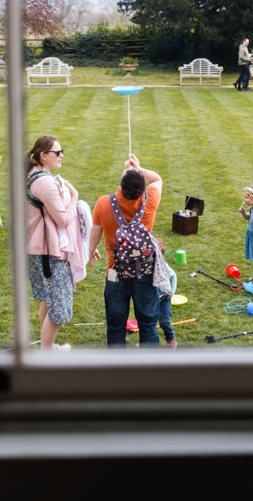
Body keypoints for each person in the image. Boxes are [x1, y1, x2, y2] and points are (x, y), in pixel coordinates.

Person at [88, 154, 163, 347]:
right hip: (146, 272)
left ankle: (118, 371)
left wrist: (91, 250)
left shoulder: (104, 203)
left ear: (121, 185)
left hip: (115, 273)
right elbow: (156, 179)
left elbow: (95, 233)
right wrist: (139, 169)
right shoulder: (151, 199)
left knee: (115, 326)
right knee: (148, 324)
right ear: (142, 190)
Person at [26, 136, 86, 351]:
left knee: (48, 299)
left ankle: (47, 348)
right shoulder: (43, 182)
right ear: (43, 155)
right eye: (57, 152)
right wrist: (74, 197)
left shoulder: (36, 175)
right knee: (58, 308)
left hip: (40, 250)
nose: (62, 156)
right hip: (49, 253)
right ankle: (46, 353)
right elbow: (62, 218)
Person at [152, 236, 178, 348]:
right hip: (150, 301)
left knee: (164, 321)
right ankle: (147, 342)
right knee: (148, 322)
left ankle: (171, 339)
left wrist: (171, 291)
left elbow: (173, 276)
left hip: (164, 299)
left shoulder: (164, 267)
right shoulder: (145, 265)